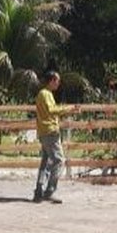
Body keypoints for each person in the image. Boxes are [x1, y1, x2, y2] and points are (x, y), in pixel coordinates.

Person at [34, 70, 76, 203]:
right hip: (50, 132)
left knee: (45, 162)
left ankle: (39, 190)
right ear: (51, 80)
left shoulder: (45, 94)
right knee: (59, 161)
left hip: (44, 132)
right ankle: (50, 191)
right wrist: (69, 109)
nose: (58, 83)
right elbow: (52, 110)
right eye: (57, 81)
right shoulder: (45, 94)